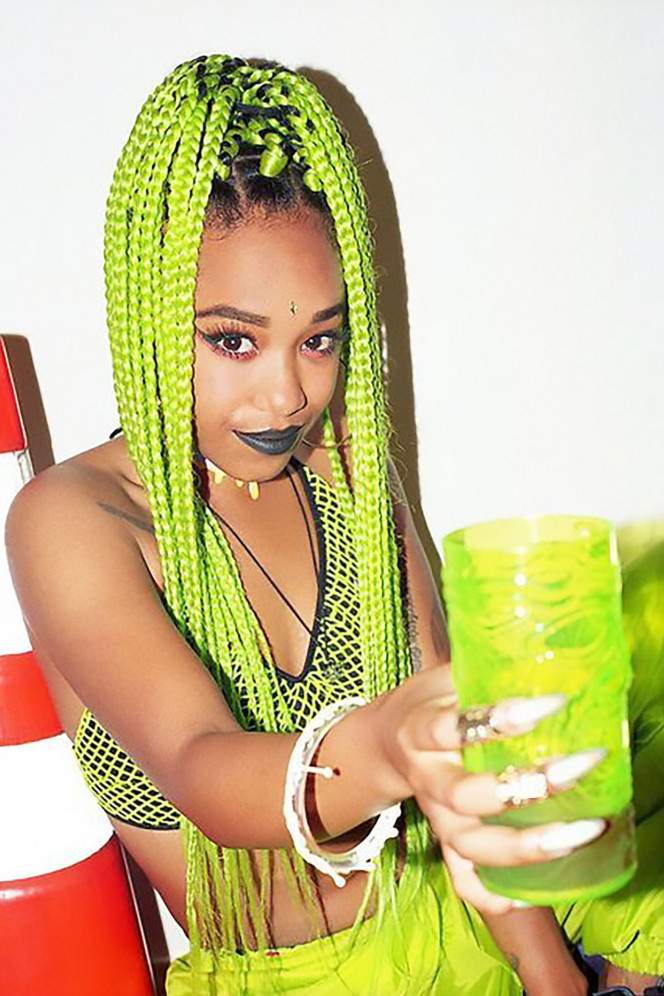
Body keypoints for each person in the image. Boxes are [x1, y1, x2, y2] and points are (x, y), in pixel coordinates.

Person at [5, 54, 664, 996]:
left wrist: (551, 976)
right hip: (296, 977)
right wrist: (388, 745)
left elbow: (456, 755)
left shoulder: (345, 463)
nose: (288, 393)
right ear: (149, 318)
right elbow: (201, 768)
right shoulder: (75, 518)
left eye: (319, 338)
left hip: (453, 901)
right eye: (234, 340)